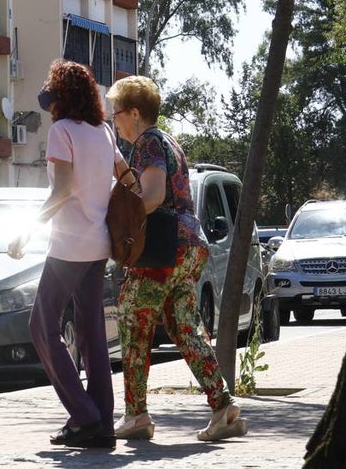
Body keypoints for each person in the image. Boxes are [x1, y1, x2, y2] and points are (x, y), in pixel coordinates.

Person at [105, 75, 248, 442]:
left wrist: (119, 219)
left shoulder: (148, 142)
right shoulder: (168, 141)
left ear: (134, 113)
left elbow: (152, 197)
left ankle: (136, 414)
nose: (113, 121)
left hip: (164, 249)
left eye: (116, 113)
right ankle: (224, 407)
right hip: (189, 246)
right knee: (185, 327)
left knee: (132, 317)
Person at [9, 60, 125, 450]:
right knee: (92, 332)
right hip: (99, 245)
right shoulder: (104, 131)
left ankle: (84, 415)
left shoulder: (62, 131)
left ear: (63, 96)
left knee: (42, 325)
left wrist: (26, 231)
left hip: (69, 247)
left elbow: (60, 191)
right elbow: (125, 176)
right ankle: (103, 424)